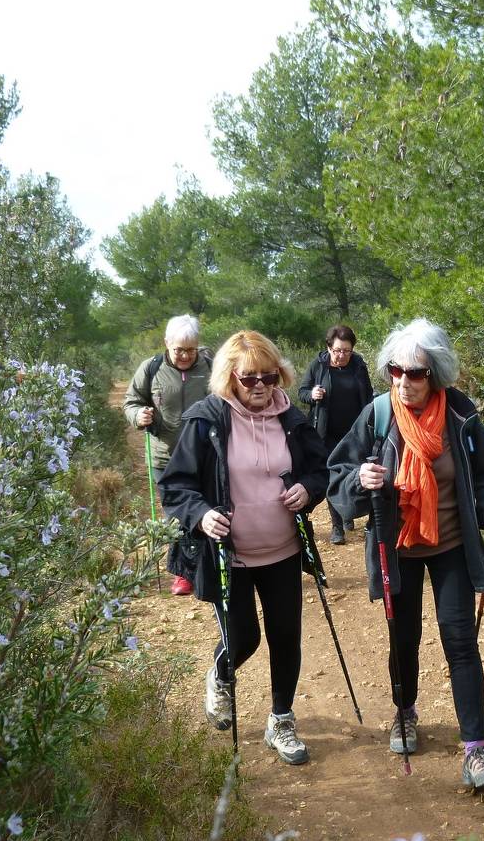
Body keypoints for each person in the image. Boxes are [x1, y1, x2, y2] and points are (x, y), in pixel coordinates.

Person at [328, 318, 484, 788]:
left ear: (438, 375)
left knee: (460, 643)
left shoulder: (460, 415)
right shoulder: (377, 415)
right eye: (396, 371)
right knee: (403, 637)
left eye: (416, 373)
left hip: (452, 543)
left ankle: (476, 752)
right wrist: (359, 480)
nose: (404, 382)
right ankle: (405, 711)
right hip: (398, 546)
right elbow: (337, 476)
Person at [159, 331, 329, 766]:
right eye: (249, 377)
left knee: (286, 636)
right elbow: (176, 486)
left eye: (269, 378)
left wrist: (307, 490)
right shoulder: (206, 420)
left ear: (281, 377)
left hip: (284, 549)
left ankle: (282, 719)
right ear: (230, 376)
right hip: (228, 556)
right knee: (244, 637)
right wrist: (201, 515)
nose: (260, 386)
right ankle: (220, 675)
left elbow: (319, 470)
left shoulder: (293, 418)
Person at [122, 314, 213, 596]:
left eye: (191, 349)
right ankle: (183, 574)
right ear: (167, 344)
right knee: (175, 515)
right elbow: (131, 402)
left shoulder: (210, 367)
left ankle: (204, 567)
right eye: (179, 349)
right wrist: (140, 415)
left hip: (205, 455)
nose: (185, 355)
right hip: (165, 457)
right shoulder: (151, 368)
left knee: (204, 509)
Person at [299, 325, 375, 544]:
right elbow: (303, 392)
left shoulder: (359, 364)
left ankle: (349, 512)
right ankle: (337, 526)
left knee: (358, 472)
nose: (342, 355)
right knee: (334, 476)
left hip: (356, 432)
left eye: (347, 351)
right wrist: (312, 394)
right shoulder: (318, 365)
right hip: (327, 433)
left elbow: (368, 395)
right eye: (338, 351)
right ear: (329, 347)